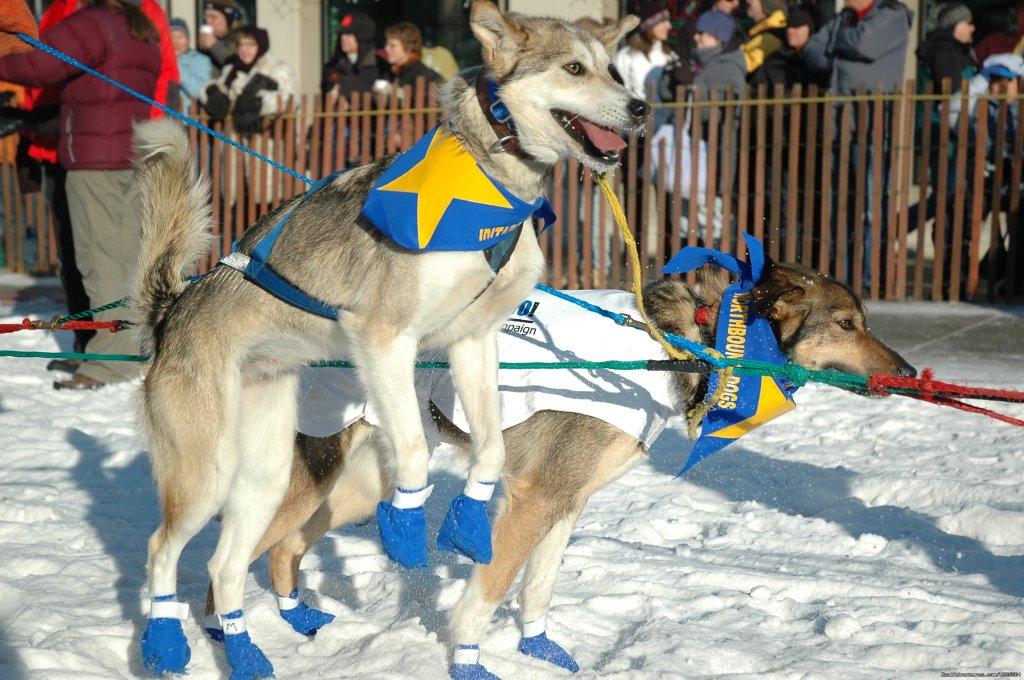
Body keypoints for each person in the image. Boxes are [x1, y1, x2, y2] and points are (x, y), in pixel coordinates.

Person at [0, 0, 161, 390]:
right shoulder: (140, 27)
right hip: (130, 155)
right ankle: (130, 347)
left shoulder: (93, 22)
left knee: (98, 260)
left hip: (94, 161)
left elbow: (36, 65)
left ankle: (111, 362)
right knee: (126, 258)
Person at [804, 0, 913, 291]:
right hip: (841, 128)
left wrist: (836, 45)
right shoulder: (844, 18)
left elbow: (864, 44)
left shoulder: (893, 15)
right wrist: (840, 51)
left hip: (874, 130)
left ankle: (870, 278)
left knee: (870, 206)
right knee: (841, 206)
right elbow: (813, 51)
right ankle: (841, 276)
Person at [200, 25, 297, 138]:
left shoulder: (278, 69)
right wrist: (212, 91)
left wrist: (258, 102)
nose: (244, 49)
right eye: (241, 44)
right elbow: (219, 86)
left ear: (261, 45)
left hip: (266, 140)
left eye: (251, 44)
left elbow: (291, 99)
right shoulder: (231, 70)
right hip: (234, 142)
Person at [614, 0, 676, 99]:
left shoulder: (669, 54)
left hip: (665, 113)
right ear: (650, 26)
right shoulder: (626, 56)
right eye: (663, 21)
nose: (669, 26)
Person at [917, 3, 977, 96]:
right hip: (943, 110)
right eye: (968, 23)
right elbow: (954, 91)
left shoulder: (958, 50)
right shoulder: (944, 53)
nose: (973, 28)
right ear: (955, 25)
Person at [321, 11, 381, 103]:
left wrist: (344, 88)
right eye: (341, 34)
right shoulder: (332, 67)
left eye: (349, 34)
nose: (343, 38)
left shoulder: (380, 66)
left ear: (362, 38)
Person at [170, 18, 212, 113]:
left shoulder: (201, 61)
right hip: (161, 120)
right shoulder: (159, 59)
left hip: (189, 121)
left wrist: (176, 64)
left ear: (188, 40)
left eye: (181, 37)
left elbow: (199, 91)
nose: (176, 42)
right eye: (172, 36)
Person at [742, 0, 788, 85]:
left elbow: (745, 65)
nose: (747, 1)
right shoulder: (759, 32)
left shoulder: (772, 37)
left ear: (767, 5)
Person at [197, 0, 245, 73]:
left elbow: (239, 64)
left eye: (213, 17)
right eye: (206, 17)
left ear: (229, 20)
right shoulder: (213, 39)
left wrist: (214, 46)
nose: (208, 22)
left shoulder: (243, 38)